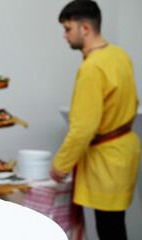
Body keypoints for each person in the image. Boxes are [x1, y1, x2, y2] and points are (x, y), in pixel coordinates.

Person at [49, 1, 140, 239]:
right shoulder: (119, 55)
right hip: (125, 151)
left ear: (86, 28)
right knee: (115, 225)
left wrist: (60, 165)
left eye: (68, 29)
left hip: (106, 159)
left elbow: (82, 129)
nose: (64, 35)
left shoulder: (92, 67)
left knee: (109, 229)